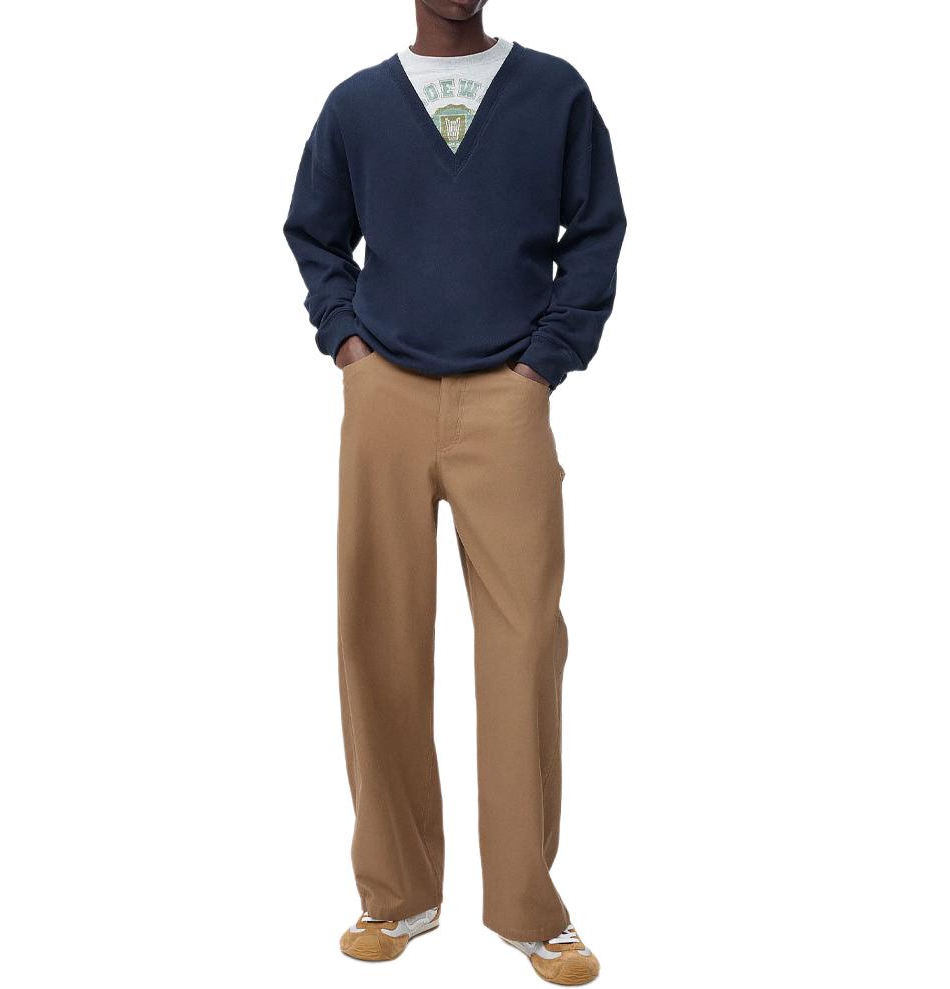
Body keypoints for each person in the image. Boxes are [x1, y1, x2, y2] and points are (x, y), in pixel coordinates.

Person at [283, 0, 625, 982]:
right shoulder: (356, 106)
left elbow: (594, 232)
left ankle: (528, 906)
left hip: (508, 396)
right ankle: (395, 894)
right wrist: (346, 342)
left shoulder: (553, 92)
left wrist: (546, 361)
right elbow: (314, 235)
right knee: (377, 633)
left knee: (524, 642)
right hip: (382, 391)